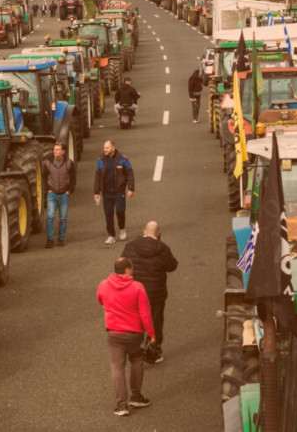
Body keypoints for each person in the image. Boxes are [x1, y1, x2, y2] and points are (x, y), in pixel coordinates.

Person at [96, 257, 155, 417]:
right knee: (136, 361)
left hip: (114, 333)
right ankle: (136, 396)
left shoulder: (103, 285)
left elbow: (101, 300)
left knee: (117, 367)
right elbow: (145, 313)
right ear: (128, 270)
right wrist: (151, 333)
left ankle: (121, 405)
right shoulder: (137, 287)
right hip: (134, 333)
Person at [121, 221, 178, 364]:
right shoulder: (162, 248)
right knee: (155, 321)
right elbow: (172, 266)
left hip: (133, 291)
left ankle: (134, 349)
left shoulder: (131, 245)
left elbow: (122, 264)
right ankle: (153, 350)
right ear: (159, 234)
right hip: (155, 293)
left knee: (135, 320)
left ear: (144, 232)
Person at [94, 140, 135, 244]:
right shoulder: (101, 160)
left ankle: (122, 229)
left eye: (107, 148)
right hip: (107, 192)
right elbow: (97, 176)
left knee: (120, 211)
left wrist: (131, 188)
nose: (105, 150)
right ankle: (111, 235)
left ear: (113, 148)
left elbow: (130, 173)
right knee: (108, 213)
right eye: (104, 148)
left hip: (119, 191)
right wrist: (96, 192)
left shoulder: (123, 159)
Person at [42, 141, 76, 248]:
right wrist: (47, 189)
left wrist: (69, 190)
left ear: (63, 152)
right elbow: (43, 177)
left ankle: (61, 238)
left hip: (64, 194)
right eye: (54, 149)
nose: (55, 151)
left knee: (63, 218)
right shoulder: (47, 162)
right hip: (52, 193)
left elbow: (73, 178)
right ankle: (50, 239)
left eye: (57, 150)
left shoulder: (69, 163)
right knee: (50, 217)